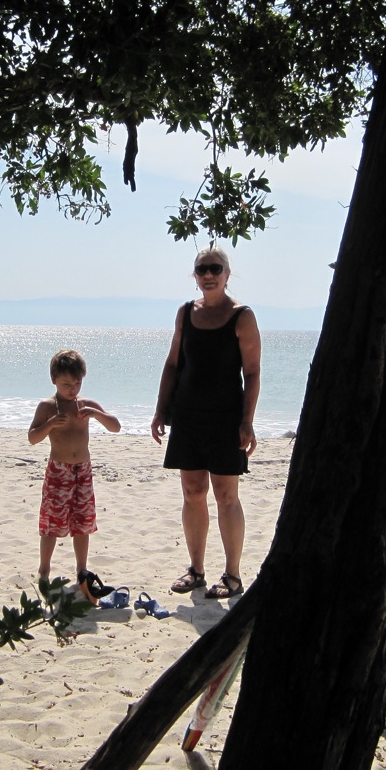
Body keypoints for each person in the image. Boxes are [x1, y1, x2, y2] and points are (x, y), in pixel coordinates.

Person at [150, 246, 261, 599]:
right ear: (195, 276)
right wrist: (160, 409)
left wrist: (247, 421)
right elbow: (172, 364)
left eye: (215, 268)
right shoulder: (185, 313)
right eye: (202, 270)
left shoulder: (242, 316)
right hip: (188, 415)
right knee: (192, 493)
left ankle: (232, 575)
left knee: (227, 496)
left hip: (226, 418)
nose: (208, 275)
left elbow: (253, 372)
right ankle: (196, 570)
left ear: (227, 274)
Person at [28, 349, 121, 599]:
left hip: (83, 470)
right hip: (59, 470)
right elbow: (32, 438)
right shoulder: (48, 406)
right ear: (54, 379)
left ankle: (82, 569)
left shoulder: (86, 404)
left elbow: (116, 426)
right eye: (67, 384)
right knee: (51, 522)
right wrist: (49, 425)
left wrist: (98, 415)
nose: (73, 388)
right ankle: (44, 568)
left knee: (83, 522)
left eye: (77, 383)